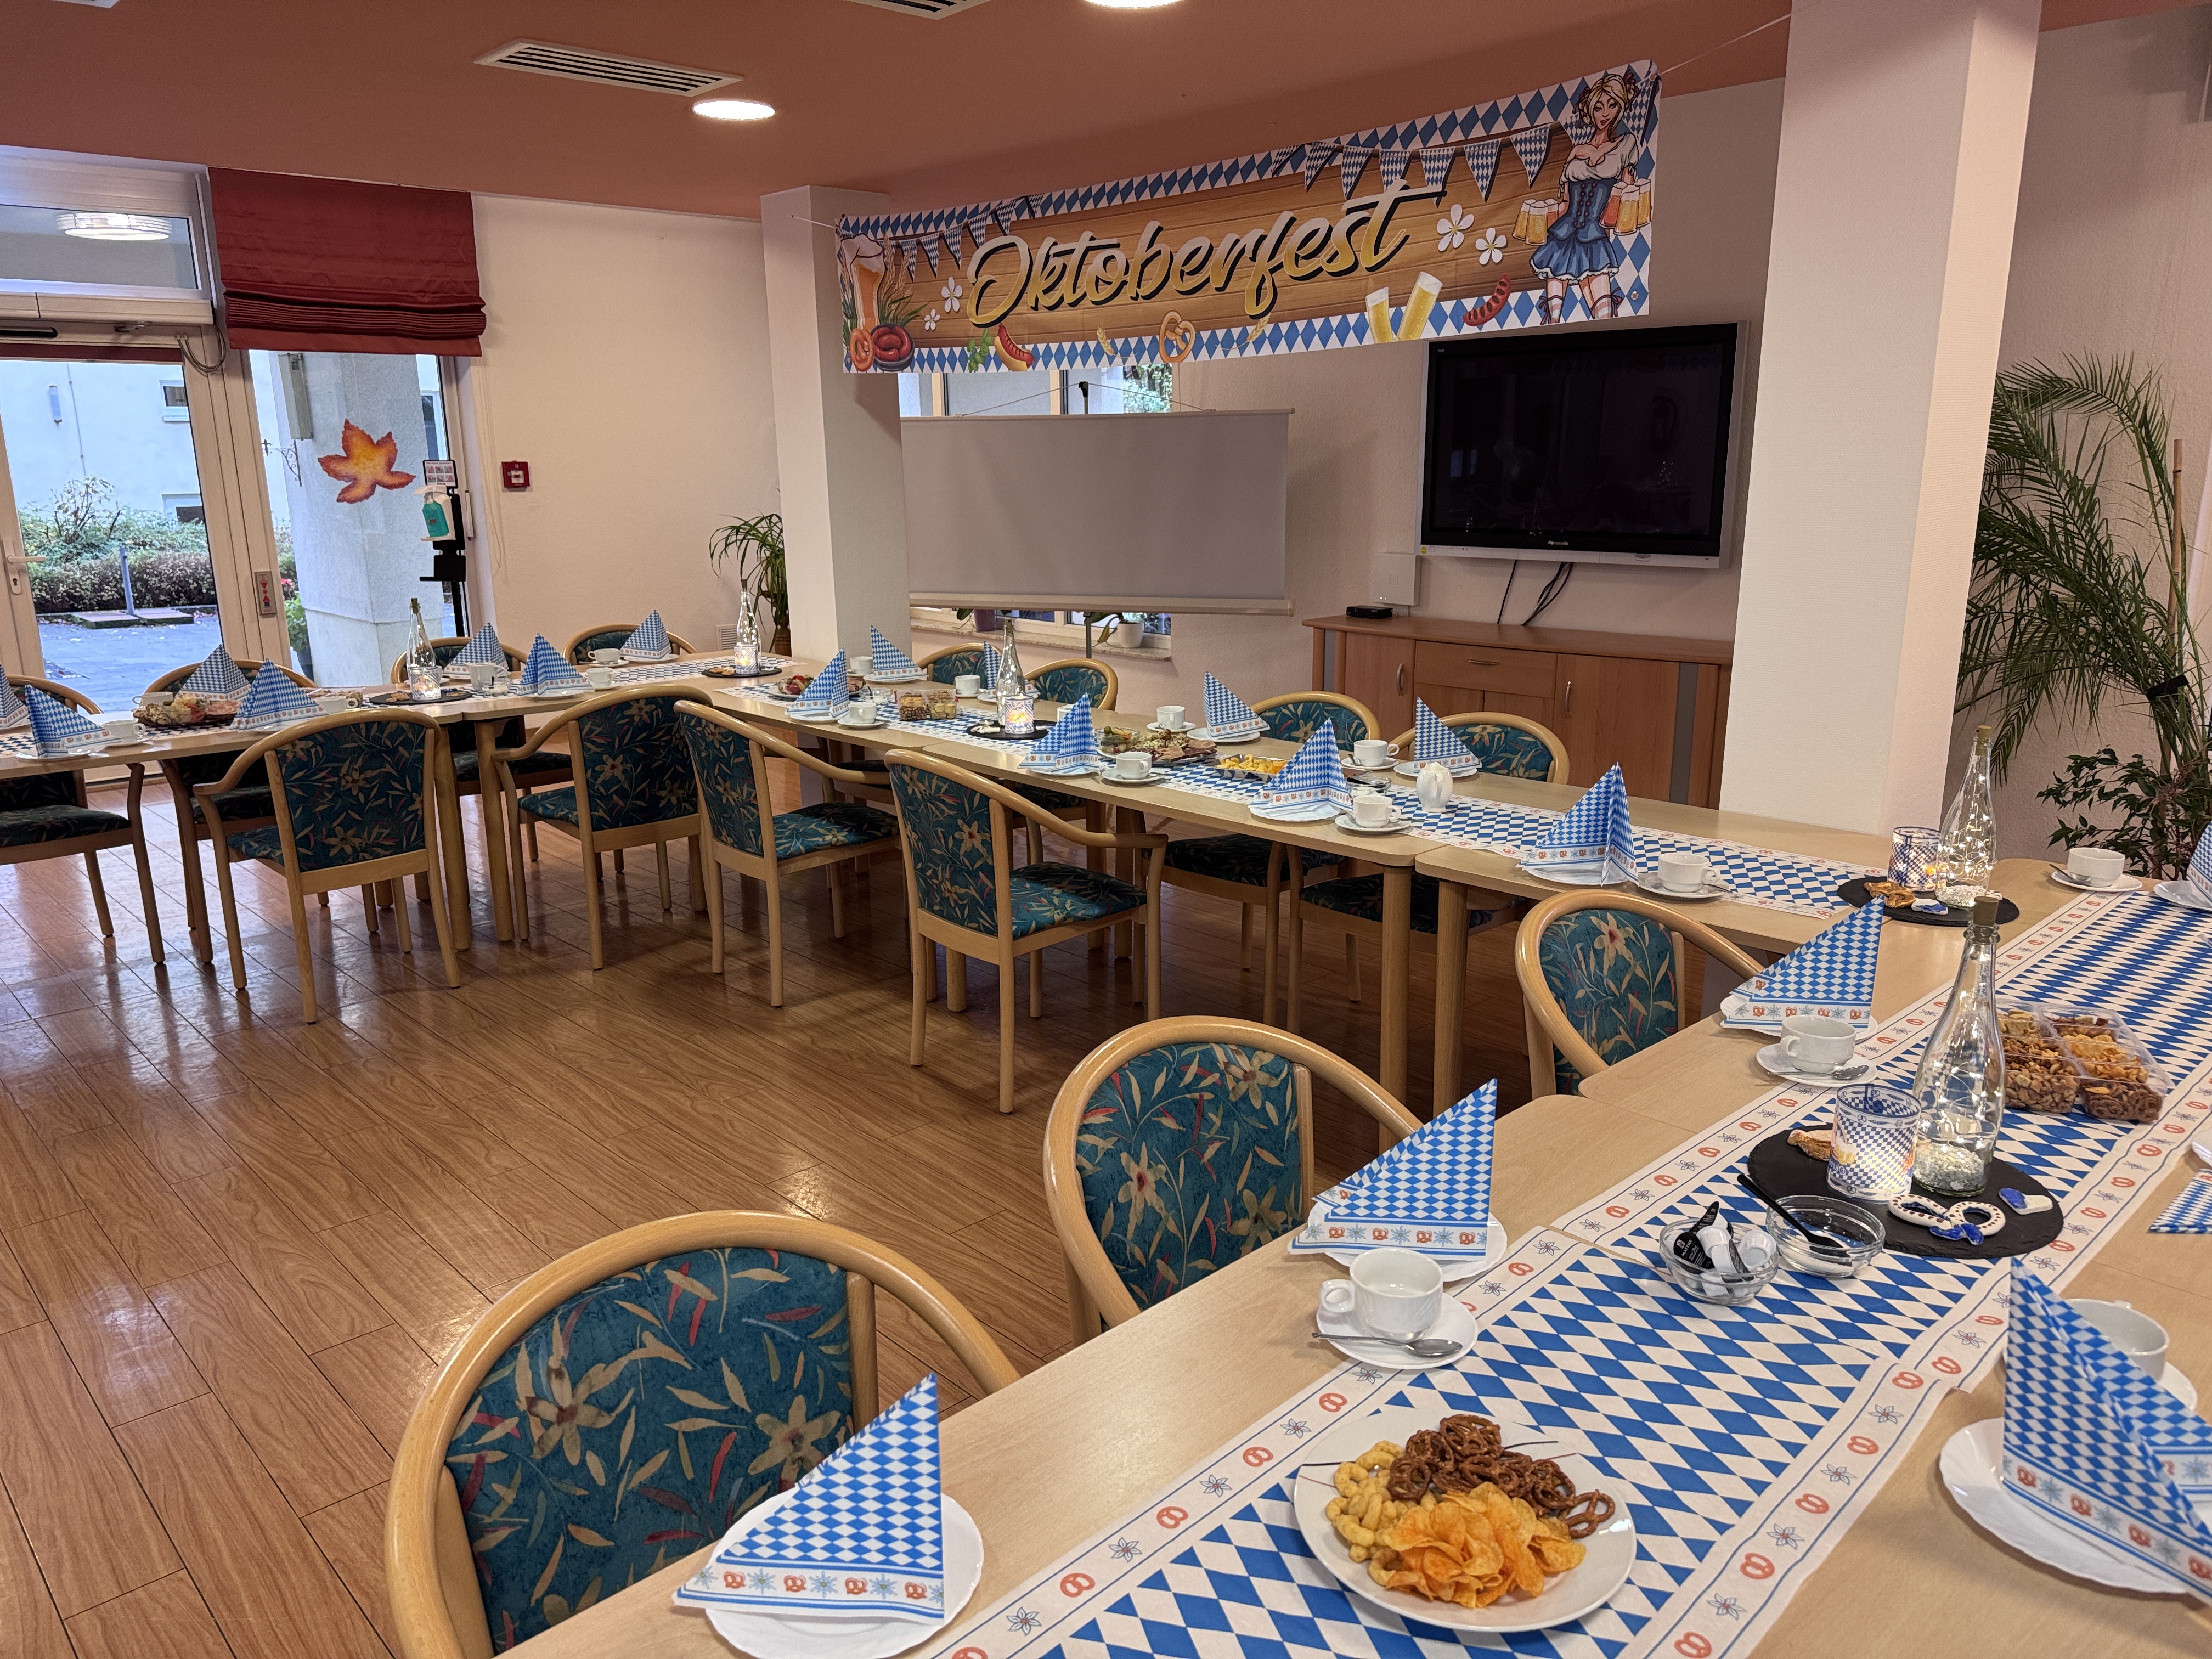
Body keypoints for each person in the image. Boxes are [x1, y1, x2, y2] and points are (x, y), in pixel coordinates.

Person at [1531, 71, 1641, 324]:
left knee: (1603, 315)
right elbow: (1566, 202)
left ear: (1620, 107)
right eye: (1599, 107)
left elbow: (1625, 192)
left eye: (1612, 105)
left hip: (1594, 231)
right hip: (1564, 231)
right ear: (1591, 111)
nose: (1605, 114)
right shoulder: (1577, 151)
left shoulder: (1625, 144)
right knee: (1554, 315)